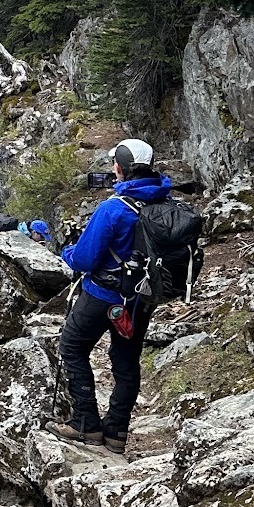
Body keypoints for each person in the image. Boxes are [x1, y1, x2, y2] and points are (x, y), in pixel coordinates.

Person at [51, 138, 171, 454]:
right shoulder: (163, 204)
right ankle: (116, 431)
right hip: (139, 300)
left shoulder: (113, 209)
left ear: (119, 167)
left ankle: (85, 423)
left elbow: (85, 260)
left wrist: (68, 251)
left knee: (72, 346)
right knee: (127, 362)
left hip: (102, 295)